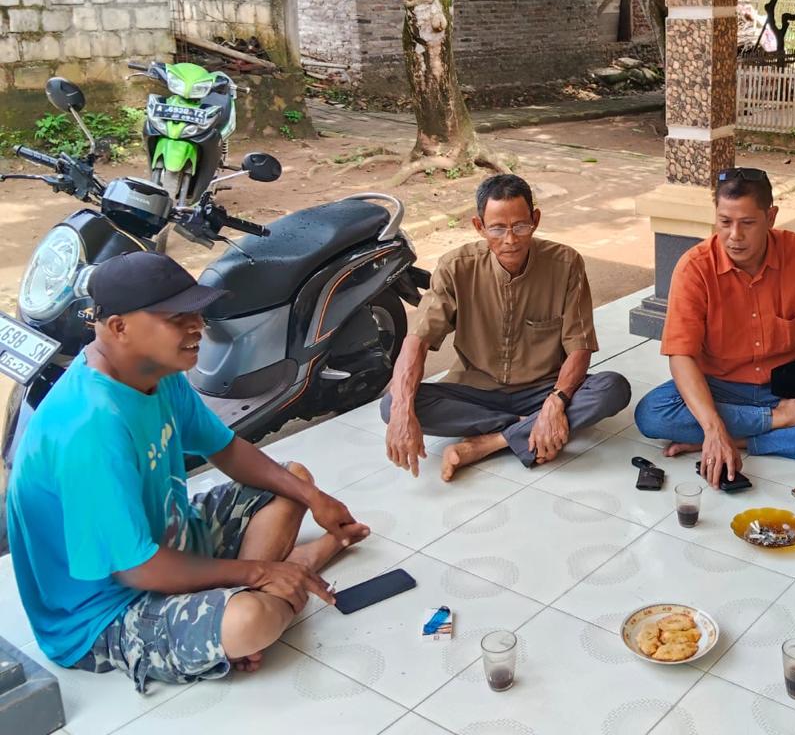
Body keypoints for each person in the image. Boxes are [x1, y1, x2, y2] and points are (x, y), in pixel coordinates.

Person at [5, 251, 369, 692]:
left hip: (170, 539)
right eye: (177, 318)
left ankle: (246, 600)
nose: (197, 327)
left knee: (293, 481)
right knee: (249, 622)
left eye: (196, 313)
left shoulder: (154, 370)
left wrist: (315, 500)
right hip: (106, 611)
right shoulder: (88, 425)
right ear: (119, 327)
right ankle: (287, 575)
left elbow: (226, 450)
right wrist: (259, 572)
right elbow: (138, 570)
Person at [634, 167, 795, 485]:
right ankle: (777, 422)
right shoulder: (695, 267)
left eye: (747, 223)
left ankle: (742, 439)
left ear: (770, 217)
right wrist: (714, 427)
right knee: (652, 414)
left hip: (785, 387)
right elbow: (681, 355)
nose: (734, 236)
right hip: (719, 386)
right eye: (725, 222)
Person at [383, 174, 630, 480]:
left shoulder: (566, 264)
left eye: (520, 226)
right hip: (474, 390)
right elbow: (417, 341)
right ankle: (527, 427)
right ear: (479, 226)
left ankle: (489, 443)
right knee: (392, 403)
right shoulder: (455, 267)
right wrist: (401, 410)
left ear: (535, 220)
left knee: (612, 388)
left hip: (543, 389)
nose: (510, 239)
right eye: (498, 228)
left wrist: (556, 402)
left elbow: (579, 347)